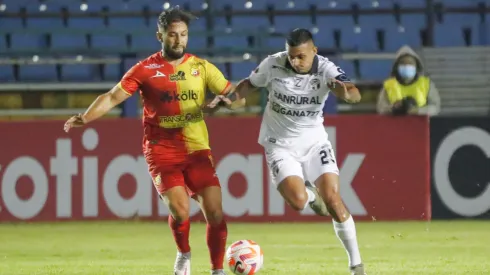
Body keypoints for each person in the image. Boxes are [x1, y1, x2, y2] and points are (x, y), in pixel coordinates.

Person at [64, 7, 230, 275]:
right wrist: (86, 117)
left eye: (183, 35)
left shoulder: (201, 67)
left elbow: (234, 94)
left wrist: (226, 101)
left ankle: (217, 270)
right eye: (172, 35)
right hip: (161, 149)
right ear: (160, 36)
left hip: (197, 148)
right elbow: (112, 96)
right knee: (180, 211)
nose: (178, 40)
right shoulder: (144, 70)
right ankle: (184, 253)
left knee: (215, 211)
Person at [209, 29, 366, 275]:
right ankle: (313, 197)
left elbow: (354, 92)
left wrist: (345, 92)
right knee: (299, 202)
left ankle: (356, 265)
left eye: (301, 56)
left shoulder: (326, 69)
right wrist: (231, 100)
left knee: (335, 201)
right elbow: (249, 84)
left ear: (314, 51)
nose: (295, 61)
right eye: (292, 56)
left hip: (314, 142)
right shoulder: (273, 63)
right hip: (279, 143)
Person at [376, 45, 441, 116]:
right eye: (403, 63)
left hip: (420, 124)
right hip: (395, 125)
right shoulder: (388, 85)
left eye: (410, 63)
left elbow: (435, 108)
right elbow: (381, 109)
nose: (407, 66)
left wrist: (418, 111)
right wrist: (393, 108)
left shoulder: (426, 84)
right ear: (396, 67)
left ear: (416, 67)